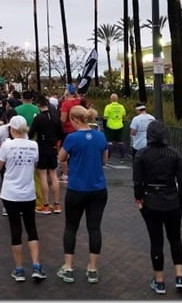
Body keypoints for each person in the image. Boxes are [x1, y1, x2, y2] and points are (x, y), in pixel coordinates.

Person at [133, 121, 182, 295]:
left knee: (156, 241)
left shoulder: (141, 155)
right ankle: (180, 277)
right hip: (172, 199)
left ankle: (159, 280)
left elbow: (137, 181)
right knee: (175, 239)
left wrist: (139, 199)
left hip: (151, 200)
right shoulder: (174, 154)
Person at [56, 105, 109, 284]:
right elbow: (105, 160)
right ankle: (92, 269)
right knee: (94, 228)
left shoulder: (71, 138)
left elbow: (61, 158)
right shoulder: (100, 136)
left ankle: (69, 267)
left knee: (71, 227)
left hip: (77, 188)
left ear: (74, 119)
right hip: (98, 188)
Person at [0, 115, 47, 282]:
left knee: (15, 228)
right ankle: (36, 266)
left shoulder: (7, 145)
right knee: (31, 228)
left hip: (10, 193)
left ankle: (18, 269)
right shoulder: (33, 145)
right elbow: (36, 164)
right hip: (28, 192)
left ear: (12, 129)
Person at [29, 95, 62, 215]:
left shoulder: (38, 118)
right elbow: (61, 133)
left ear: (38, 106)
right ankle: (57, 204)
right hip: (53, 147)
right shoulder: (55, 116)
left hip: (42, 147)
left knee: (43, 175)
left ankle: (46, 205)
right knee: (54, 175)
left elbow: (31, 133)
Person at [59, 84, 80, 183]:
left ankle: (65, 174)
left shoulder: (65, 104)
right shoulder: (78, 102)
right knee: (77, 153)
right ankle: (77, 172)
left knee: (64, 154)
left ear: (67, 92)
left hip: (67, 131)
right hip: (79, 129)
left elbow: (63, 119)